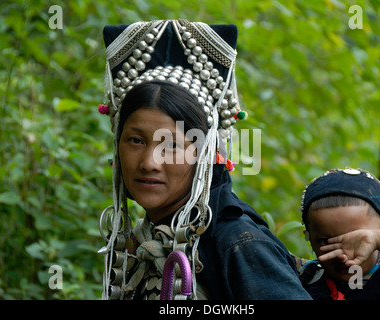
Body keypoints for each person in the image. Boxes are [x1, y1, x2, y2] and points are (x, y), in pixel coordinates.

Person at [97, 19, 311, 300]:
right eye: (136, 141)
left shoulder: (238, 243)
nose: (149, 162)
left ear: (206, 151)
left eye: (172, 145)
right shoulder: (143, 240)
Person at [298, 168, 380, 300]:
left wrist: (379, 238)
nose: (343, 256)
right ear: (309, 237)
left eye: (358, 242)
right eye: (327, 242)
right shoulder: (303, 277)